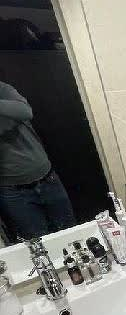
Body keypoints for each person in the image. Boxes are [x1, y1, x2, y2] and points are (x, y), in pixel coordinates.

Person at [0, 80, 75, 242]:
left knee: (71, 235)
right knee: (38, 245)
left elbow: (25, 112)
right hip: (13, 192)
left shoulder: (2, 89)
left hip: (48, 179)